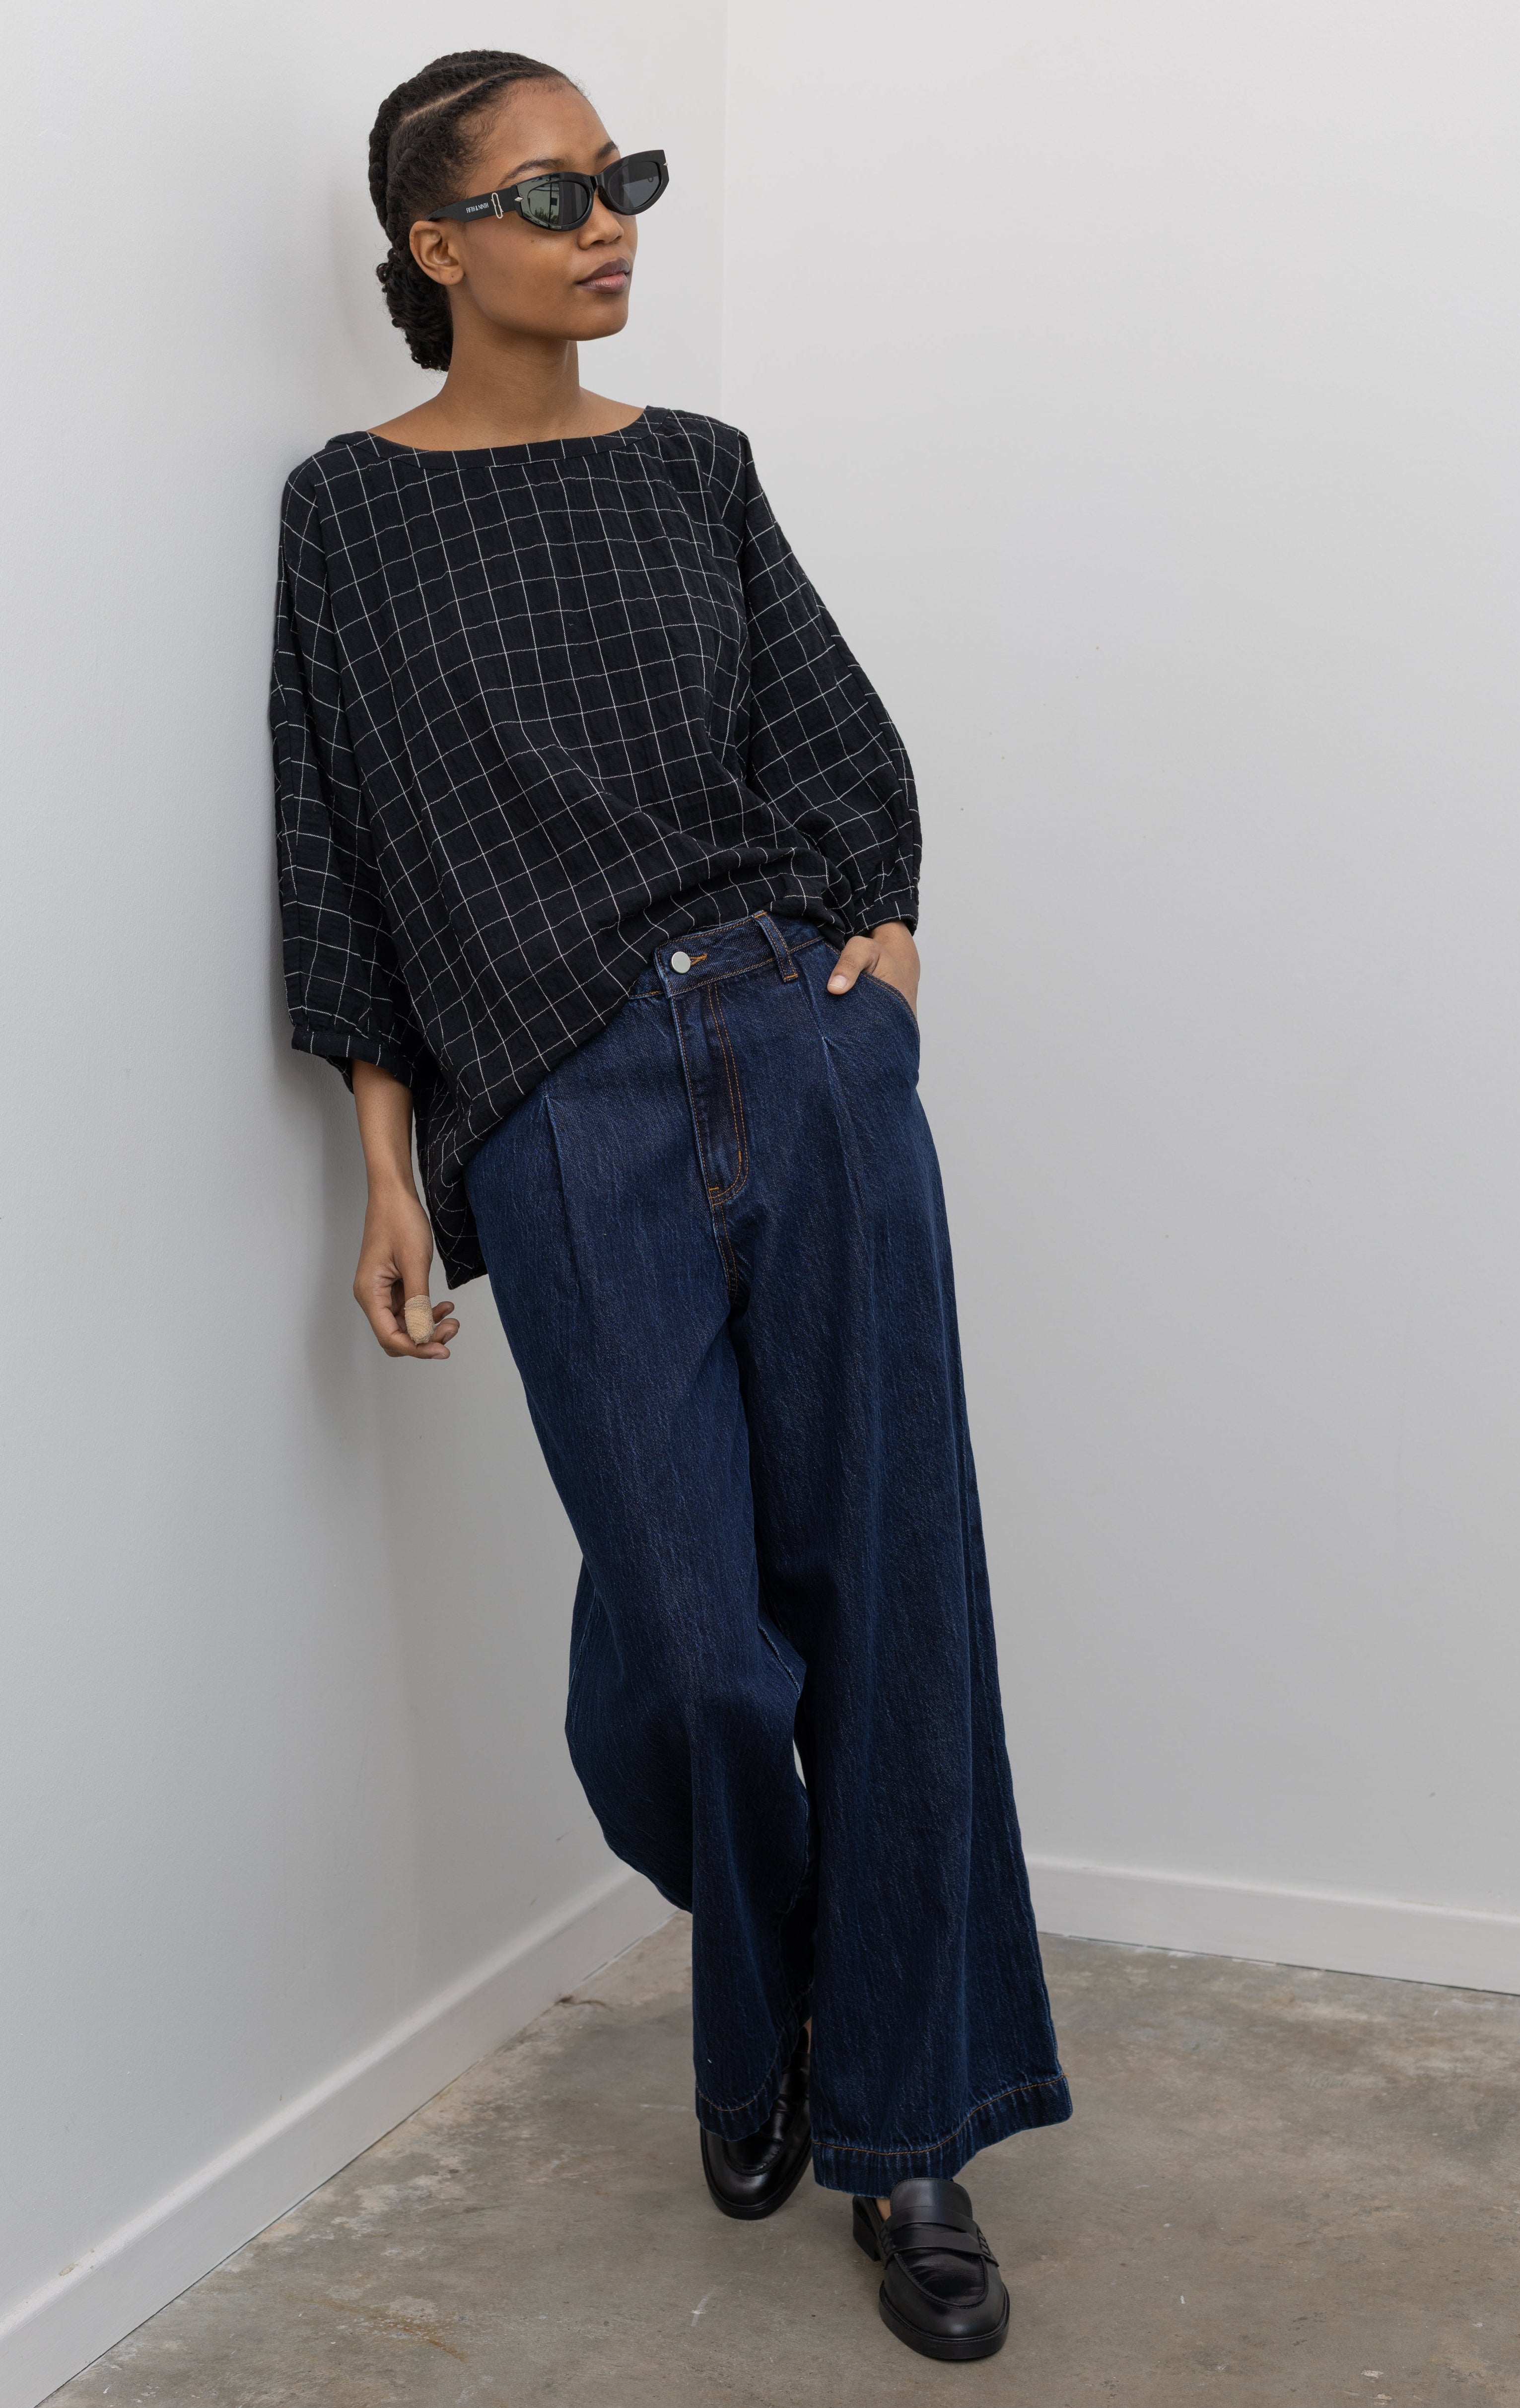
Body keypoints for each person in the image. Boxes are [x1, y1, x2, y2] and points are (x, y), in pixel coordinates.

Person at [271, 47, 1070, 2363]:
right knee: (697, 1650)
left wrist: (880, 974)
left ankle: (904, 2135)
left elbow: (839, 746)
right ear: (436, 249)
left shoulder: (697, 472)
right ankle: (802, 2010)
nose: (609, 223)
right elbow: (337, 849)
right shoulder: (350, 513)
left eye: (623, 179)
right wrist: (389, 1172)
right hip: (562, 1108)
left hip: (803, 1067)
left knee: (890, 1601)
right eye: (550, 194)